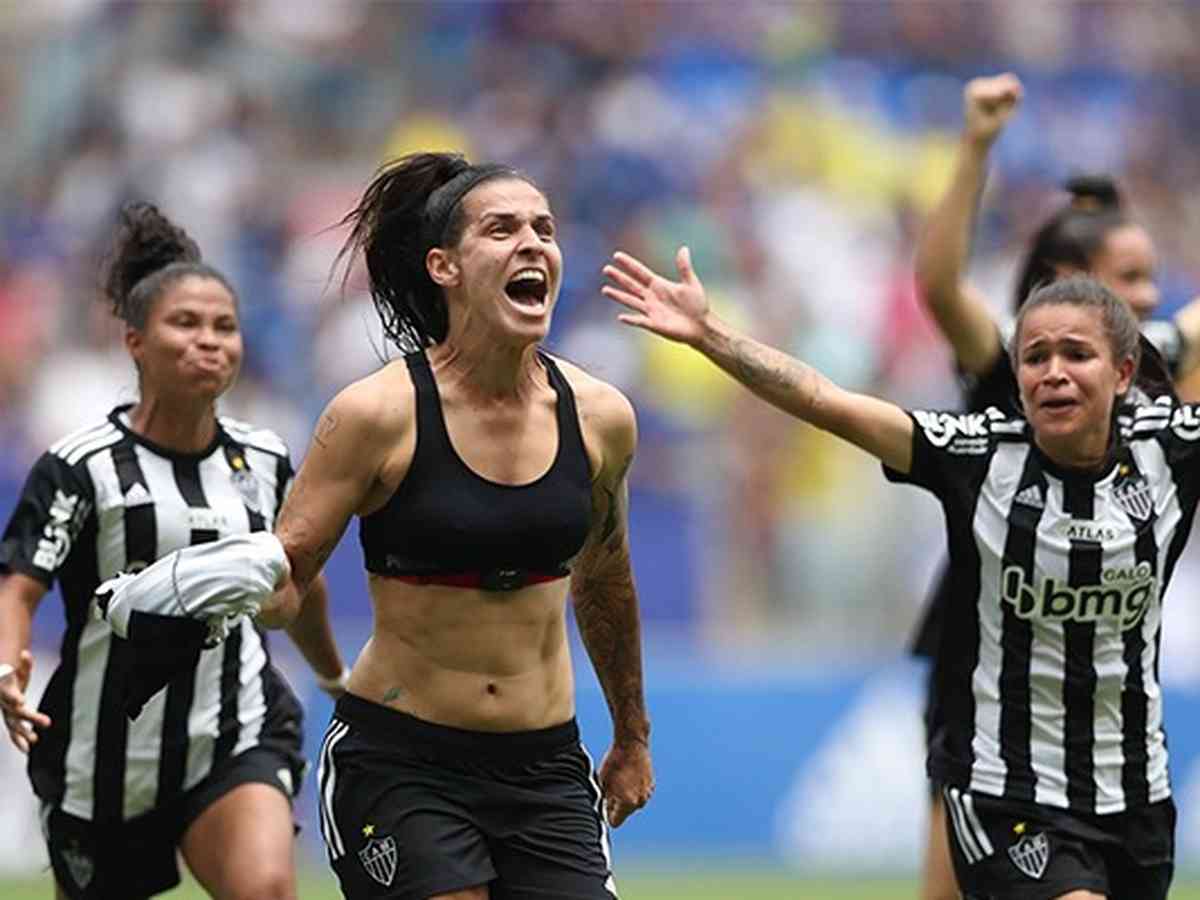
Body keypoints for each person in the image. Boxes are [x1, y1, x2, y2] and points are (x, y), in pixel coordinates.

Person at [103, 153, 655, 899]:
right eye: (502, 229)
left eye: (544, 228)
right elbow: (289, 577)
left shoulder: (601, 418)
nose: (532, 243)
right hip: (402, 765)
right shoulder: (374, 416)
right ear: (443, 266)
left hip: (547, 767)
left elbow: (605, 578)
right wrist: (234, 586)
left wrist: (631, 736)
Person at [605, 247, 1185, 899]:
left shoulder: (1172, 450)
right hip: (1008, 795)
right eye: (1034, 357)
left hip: (1139, 793)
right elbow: (827, 400)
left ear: (1124, 370)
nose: (1053, 373)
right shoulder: (976, 453)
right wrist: (710, 334)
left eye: (1076, 355)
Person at [0, 202, 347, 900]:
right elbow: (19, 586)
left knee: (267, 889)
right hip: (104, 757)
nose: (209, 342)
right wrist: (7, 666)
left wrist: (338, 681)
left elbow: (300, 582)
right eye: (185, 324)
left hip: (233, 732)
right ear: (135, 342)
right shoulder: (82, 466)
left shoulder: (268, 457)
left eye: (224, 326)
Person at [910, 72, 1200, 900]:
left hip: (1098, 677)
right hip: (986, 650)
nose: (1149, 298)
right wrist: (976, 142)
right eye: (1132, 278)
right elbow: (935, 288)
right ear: (1071, 274)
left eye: (1152, 281)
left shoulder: (1147, 353)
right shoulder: (1016, 354)